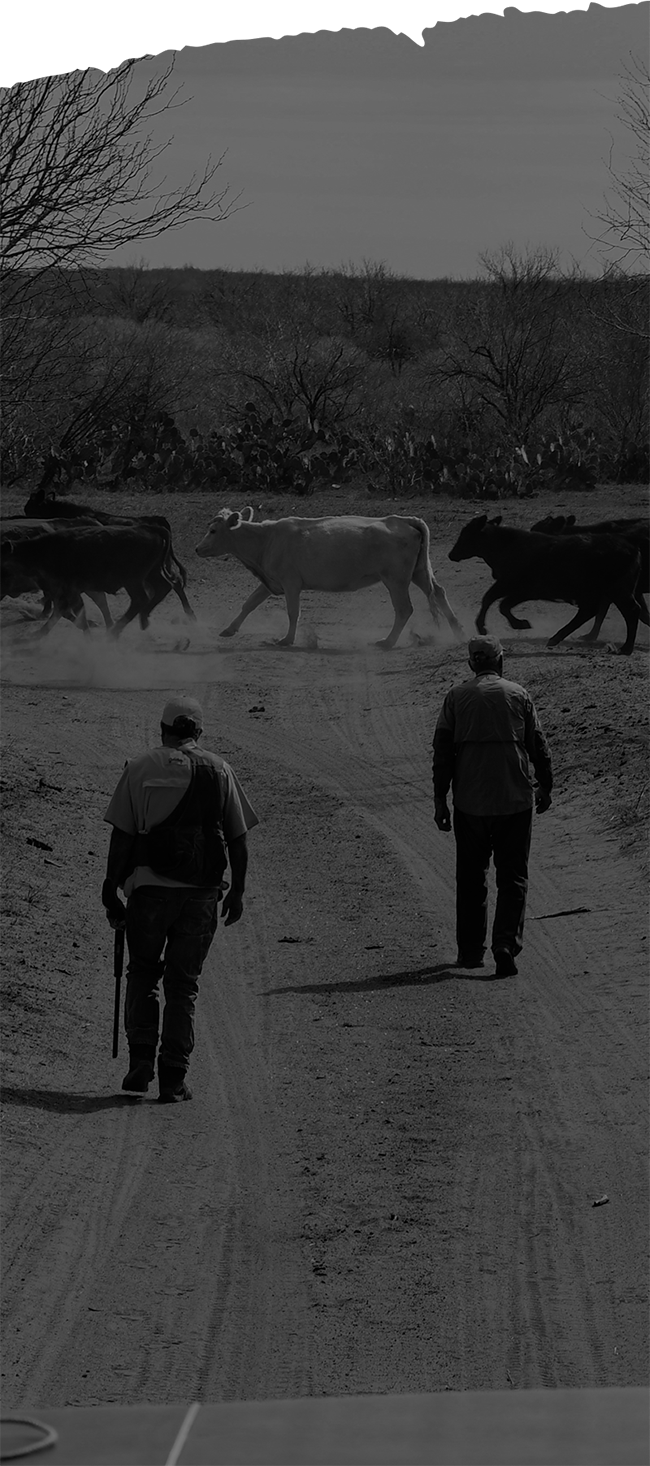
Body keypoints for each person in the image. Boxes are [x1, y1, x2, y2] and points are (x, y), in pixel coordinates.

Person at [102, 695, 259, 1102]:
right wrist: (238, 891)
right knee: (183, 984)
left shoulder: (139, 767)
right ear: (198, 732)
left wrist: (110, 886)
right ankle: (173, 1078)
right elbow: (238, 838)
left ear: (163, 731)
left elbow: (122, 835)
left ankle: (141, 1059)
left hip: (149, 891)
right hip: (201, 894)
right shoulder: (220, 769)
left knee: (142, 972)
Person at [432, 636, 552, 978]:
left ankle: (471, 952)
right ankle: (505, 945)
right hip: (514, 800)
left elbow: (443, 752)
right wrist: (545, 784)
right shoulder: (518, 694)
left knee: (471, 877)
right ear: (500, 661)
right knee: (513, 876)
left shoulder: (456, 697)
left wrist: (440, 800)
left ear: (471, 663)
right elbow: (537, 744)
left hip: (470, 802)